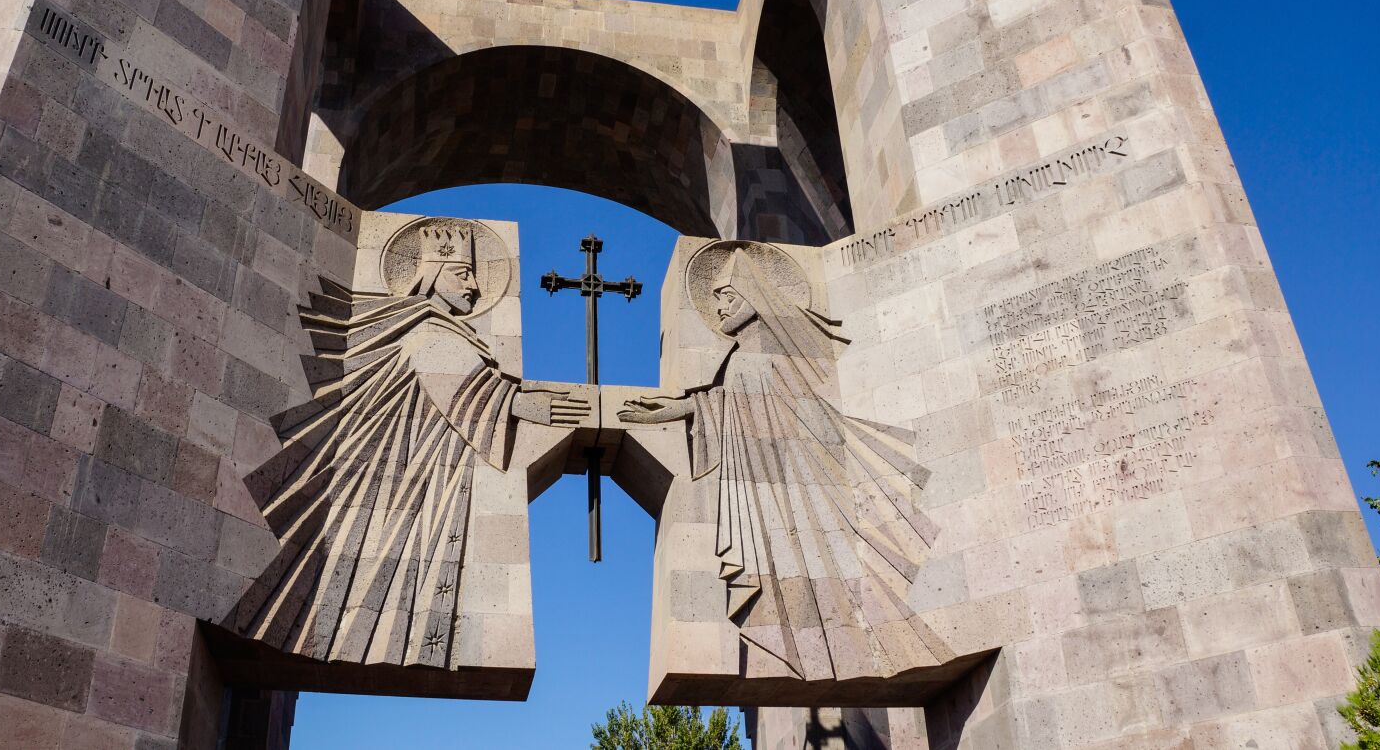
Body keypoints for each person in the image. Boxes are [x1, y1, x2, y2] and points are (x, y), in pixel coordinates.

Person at [230, 222, 587, 668]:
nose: (474, 288)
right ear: (434, 273)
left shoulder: (448, 332)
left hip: (426, 480)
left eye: (473, 276)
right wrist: (521, 404)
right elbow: (461, 385)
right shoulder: (424, 328)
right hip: (392, 482)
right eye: (463, 275)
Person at [619, 246, 942, 681]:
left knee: (840, 584)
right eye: (717, 300)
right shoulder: (740, 357)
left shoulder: (773, 352)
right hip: (770, 490)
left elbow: (797, 414)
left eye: (727, 298)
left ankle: (864, 648)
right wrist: (672, 411)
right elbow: (726, 403)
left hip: (805, 484)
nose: (719, 309)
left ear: (752, 296)